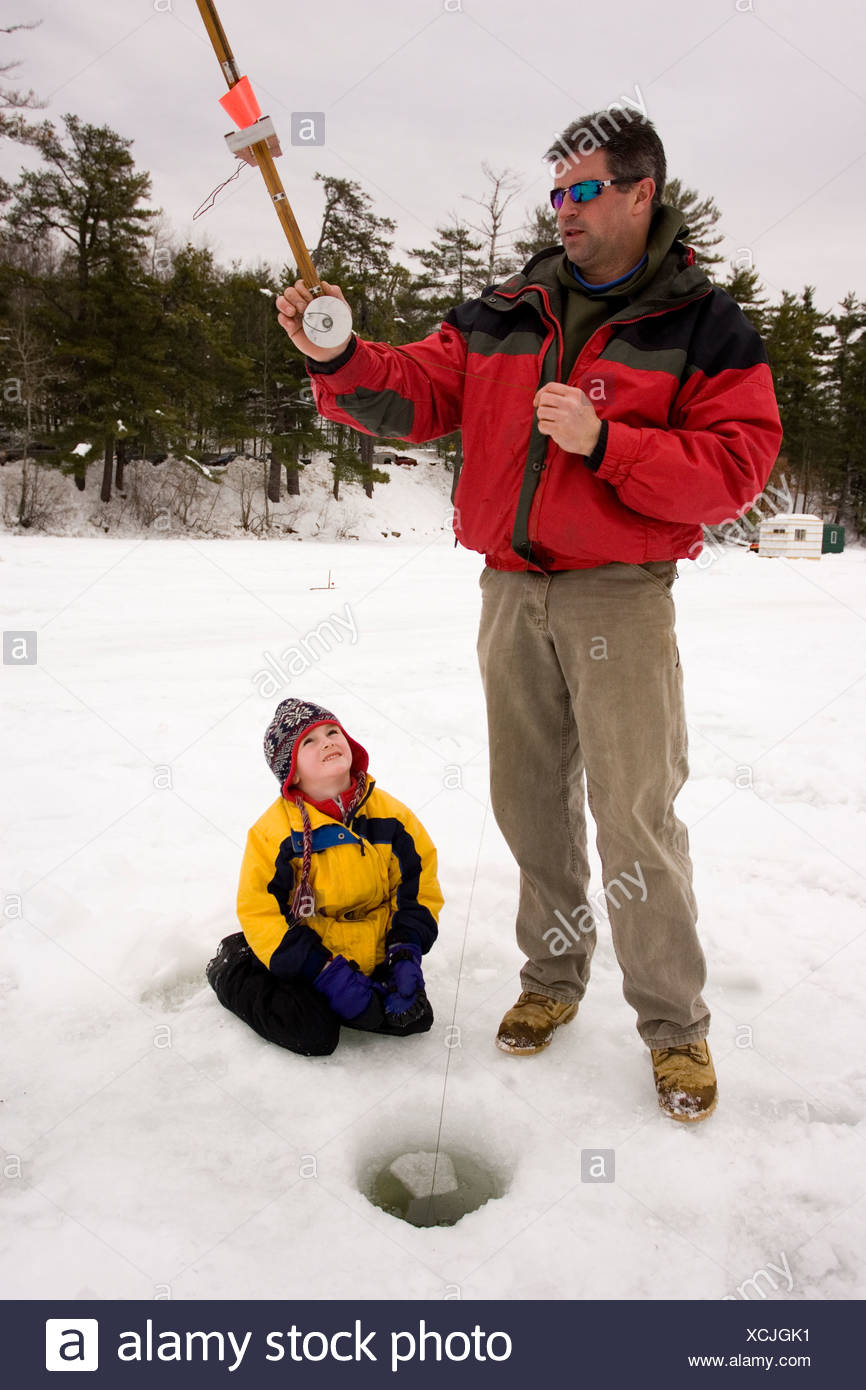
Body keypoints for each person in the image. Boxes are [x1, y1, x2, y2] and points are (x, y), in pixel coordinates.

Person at [274, 114, 783, 1121]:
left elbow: (734, 471)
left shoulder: (700, 321)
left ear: (642, 192)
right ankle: (551, 979)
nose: (565, 210)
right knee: (527, 804)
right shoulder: (509, 307)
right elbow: (418, 393)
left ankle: (673, 1027)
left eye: (584, 190)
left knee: (633, 815)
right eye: (556, 192)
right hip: (509, 591)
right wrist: (338, 355)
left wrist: (607, 443)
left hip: (618, 595)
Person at [206, 699, 443, 1056]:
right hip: (308, 957)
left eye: (333, 732)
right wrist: (326, 974)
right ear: (293, 773)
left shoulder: (392, 817)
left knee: (413, 1017)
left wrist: (405, 952)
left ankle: (361, 991)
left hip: (373, 949)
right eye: (309, 741)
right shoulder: (274, 834)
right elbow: (261, 911)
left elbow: (416, 886)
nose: (328, 741)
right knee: (313, 1033)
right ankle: (234, 964)